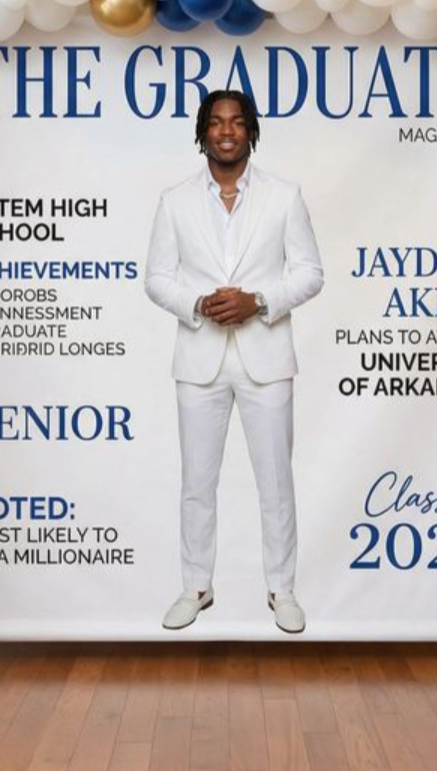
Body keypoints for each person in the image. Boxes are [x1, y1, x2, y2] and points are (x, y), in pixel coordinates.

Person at [145, 89, 324, 634]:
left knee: (276, 481)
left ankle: (282, 589)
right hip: (198, 359)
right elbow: (156, 279)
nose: (227, 131)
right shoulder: (174, 200)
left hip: (266, 360)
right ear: (202, 132)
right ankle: (196, 586)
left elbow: (310, 272)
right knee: (197, 481)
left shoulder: (285, 196)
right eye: (217, 122)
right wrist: (197, 304)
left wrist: (259, 301)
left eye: (237, 122)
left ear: (251, 131)